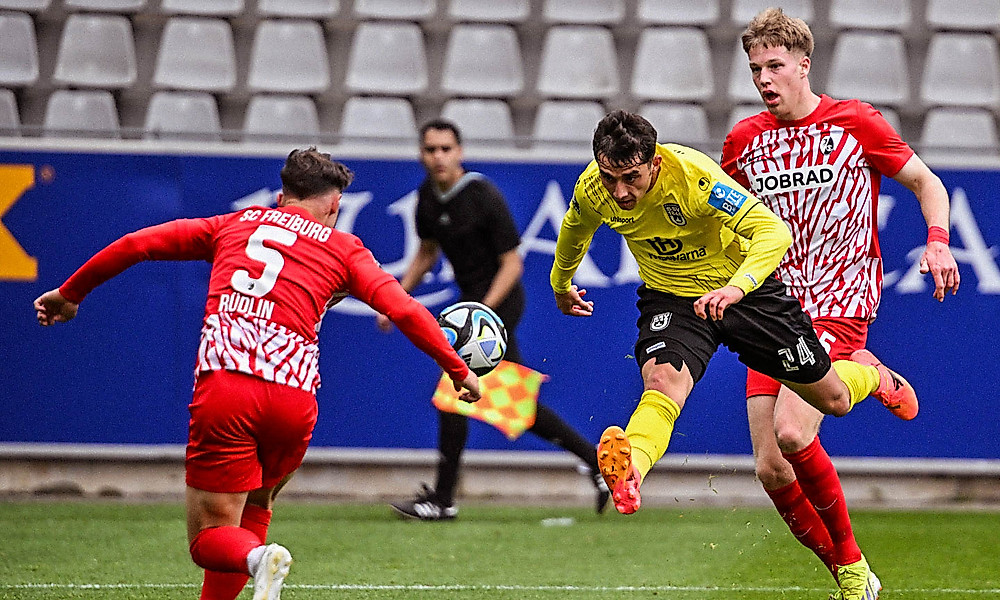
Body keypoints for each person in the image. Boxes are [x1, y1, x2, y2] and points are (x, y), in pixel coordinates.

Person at [33, 148, 481, 600]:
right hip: (293, 401)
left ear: (282, 196)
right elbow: (405, 309)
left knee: (210, 537)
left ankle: (257, 558)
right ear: (334, 204)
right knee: (258, 502)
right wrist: (458, 369)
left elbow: (136, 244)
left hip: (229, 387)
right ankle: (255, 559)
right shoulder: (344, 249)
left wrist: (70, 294)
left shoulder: (233, 225)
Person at [552, 110, 920, 598]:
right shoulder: (593, 188)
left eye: (631, 178)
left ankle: (872, 377)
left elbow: (773, 232)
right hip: (674, 299)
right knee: (662, 386)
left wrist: (737, 287)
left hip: (745, 294)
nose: (620, 192)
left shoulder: (694, 177)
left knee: (833, 398)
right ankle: (631, 471)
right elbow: (575, 228)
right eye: (610, 178)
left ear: (655, 163)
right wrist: (560, 283)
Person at [720, 9, 961, 600]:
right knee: (770, 467)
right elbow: (723, 225)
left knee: (793, 432)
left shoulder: (854, 122)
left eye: (775, 65)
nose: (764, 78)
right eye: (755, 69)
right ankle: (849, 574)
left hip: (838, 301)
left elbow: (928, 183)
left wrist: (937, 241)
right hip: (773, 308)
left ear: (804, 64)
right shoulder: (744, 142)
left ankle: (851, 569)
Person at [380, 119, 610, 520]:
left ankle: (443, 500)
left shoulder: (482, 195)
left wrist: (483, 310)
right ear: (421, 154)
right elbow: (427, 252)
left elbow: (512, 263)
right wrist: (395, 298)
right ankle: (595, 463)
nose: (438, 157)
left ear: (460, 152)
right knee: (514, 403)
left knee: (455, 392)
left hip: (497, 306)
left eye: (446, 149)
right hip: (472, 309)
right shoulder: (428, 197)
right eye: (431, 149)